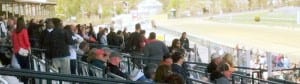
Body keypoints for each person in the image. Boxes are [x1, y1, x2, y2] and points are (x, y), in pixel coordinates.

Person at [12, 16, 31, 84]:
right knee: (26, 67)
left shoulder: (14, 31)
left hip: (17, 51)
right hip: (24, 51)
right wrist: (29, 49)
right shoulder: (24, 30)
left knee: (21, 67)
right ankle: (25, 81)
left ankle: (22, 80)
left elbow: (13, 41)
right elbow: (26, 41)